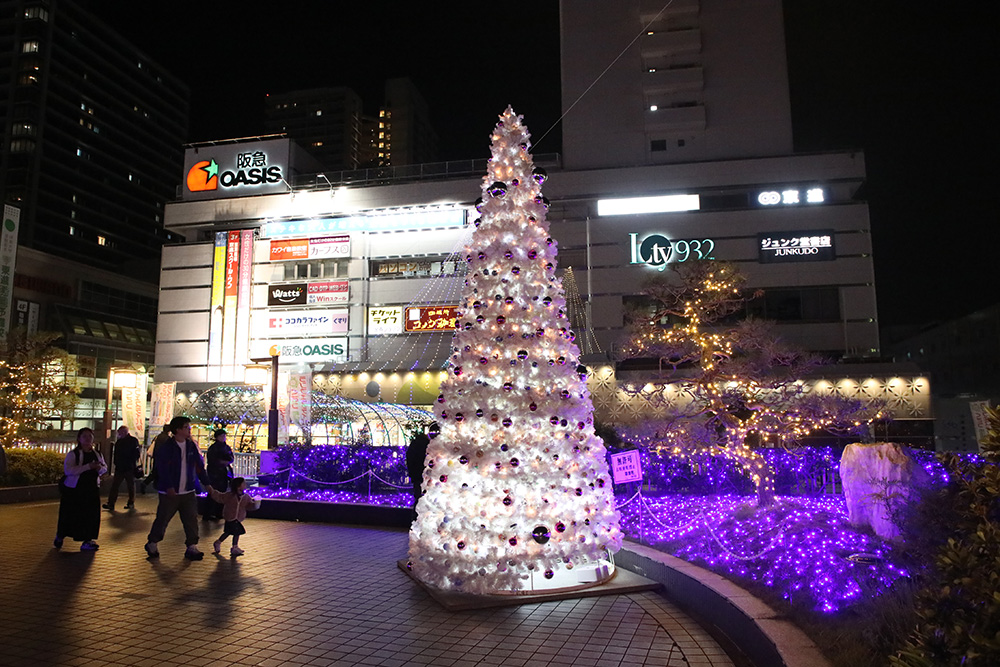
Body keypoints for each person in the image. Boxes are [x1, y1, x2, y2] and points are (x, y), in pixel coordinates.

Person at [144, 416, 213, 560]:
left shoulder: (190, 446)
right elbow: (162, 469)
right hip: (170, 492)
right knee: (163, 518)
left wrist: (207, 484)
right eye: (186, 427)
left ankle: (192, 546)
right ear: (177, 429)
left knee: (191, 519)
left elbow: (199, 466)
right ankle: (153, 542)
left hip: (188, 490)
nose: (189, 429)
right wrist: (169, 486)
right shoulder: (167, 447)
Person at [54, 428, 107, 551]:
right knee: (70, 515)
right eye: (85, 436)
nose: (88, 439)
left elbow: (104, 468)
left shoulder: (97, 454)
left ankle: (87, 540)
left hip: (92, 489)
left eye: (90, 436)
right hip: (74, 490)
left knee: (91, 515)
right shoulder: (73, 454)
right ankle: (60, 535)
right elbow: (68, 470)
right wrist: (88, 467)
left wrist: (99, 468)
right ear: (79, 438)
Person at [209, 477, 261, 557]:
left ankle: (221, 543)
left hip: (238, 518)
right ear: (238, 486)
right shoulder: (229, 496)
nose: (245, 485)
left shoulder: (246, 497)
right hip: (230, 517)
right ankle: (233, 547)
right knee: (236, 532)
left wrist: (256, 504)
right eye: (243, 484)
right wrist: (212, 491)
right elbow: (220, 497)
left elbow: (249, 506)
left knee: (229, 532)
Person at [104, 425, 140, 511]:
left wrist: (118, 462)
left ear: (124, 432)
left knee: (121, 485)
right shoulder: (131, 441)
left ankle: (114, 503)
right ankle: (125, 502)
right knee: (126, 485)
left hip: (126, 467)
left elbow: (135, 454)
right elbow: (136, 453)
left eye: (119, 432)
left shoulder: (123, 442)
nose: (118, 434)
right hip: (126, 467)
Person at [406, 422, 438, 513]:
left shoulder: (419, 442)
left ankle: (417, 517)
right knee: (421, 500)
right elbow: (411, 459)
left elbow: (410, 458)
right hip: (420, 476)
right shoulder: (422, 443)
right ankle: (417, 518)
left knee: (421, 500)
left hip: (423, 477)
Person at [203, 429, 234, 521]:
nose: (223, 437)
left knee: (222, 492)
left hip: (224, 473)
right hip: (215, 473)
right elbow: (213, 460)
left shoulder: (226, 447)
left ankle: (218, 512)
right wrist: (222, 462)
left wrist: (227, 462)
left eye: (224, 436)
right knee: (213, 492)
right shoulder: (214, 448)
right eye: (222, 436)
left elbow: (231, 458)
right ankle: (208, 513)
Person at [140, 424, 170, 494]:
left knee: (155, 472)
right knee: (158, 473)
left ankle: (147, 484)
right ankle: (148, 484)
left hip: (157, 458)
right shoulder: (166, 438)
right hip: (162, 459)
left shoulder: (158, 436)